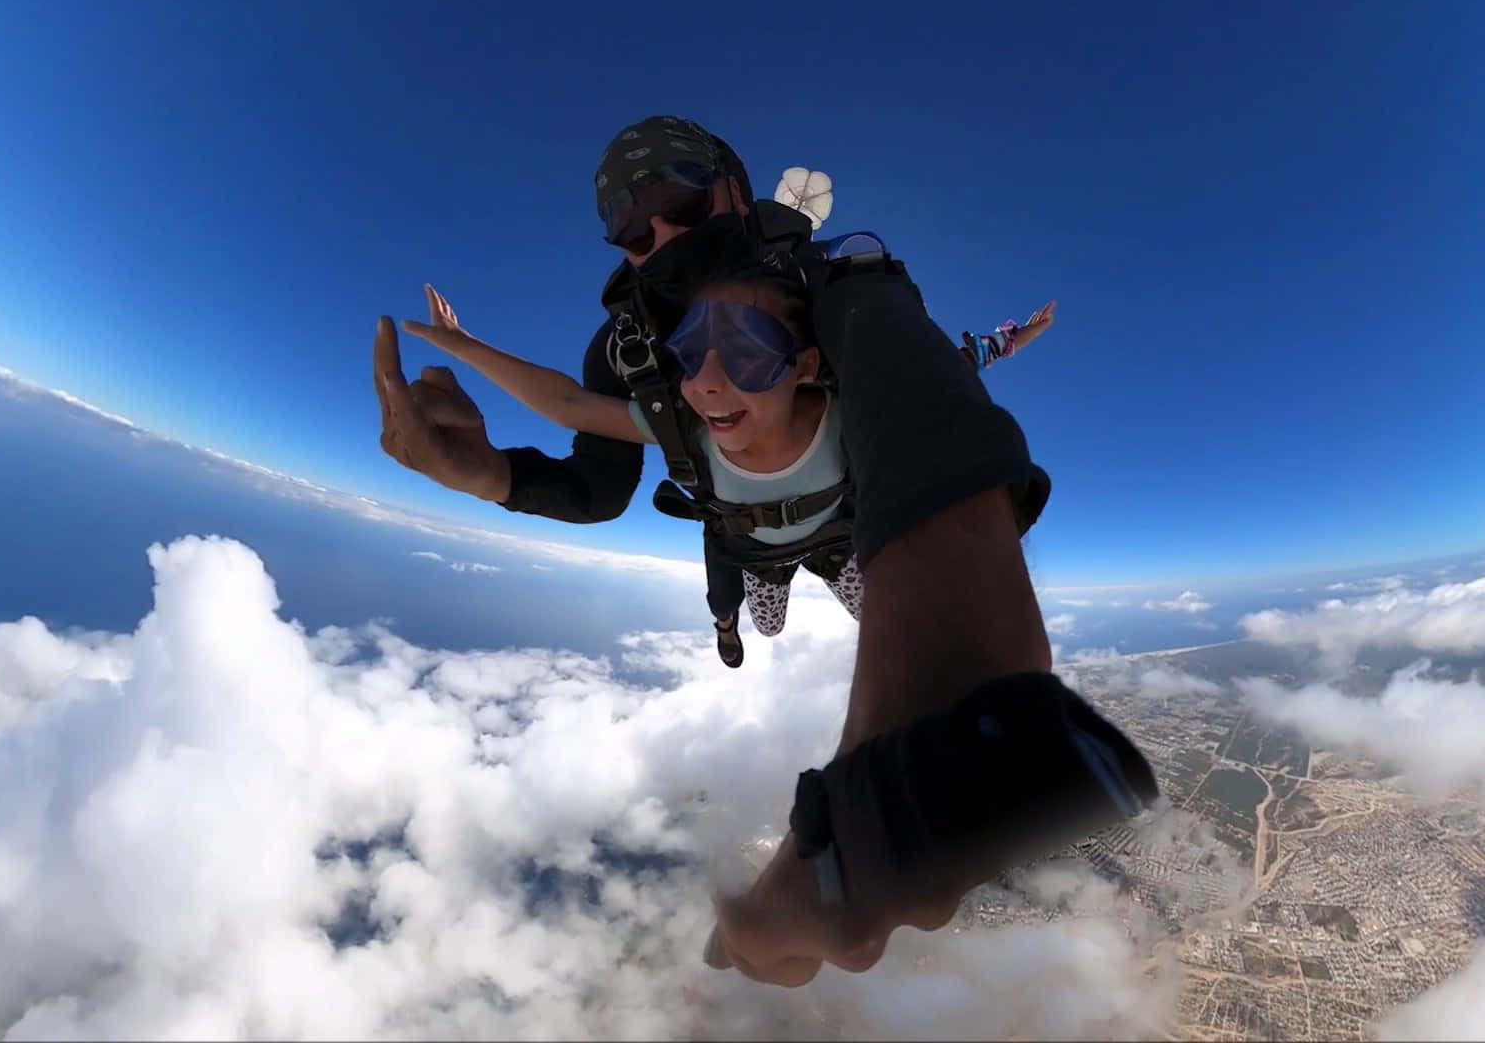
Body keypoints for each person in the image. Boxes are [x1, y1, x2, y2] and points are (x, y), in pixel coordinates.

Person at [374, 114, 1155, 988]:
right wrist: (487, 470)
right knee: (758, 608)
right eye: (632, 227)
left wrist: (864, 832)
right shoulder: (639, 354)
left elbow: (929, 389)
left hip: (842, 531)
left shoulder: (845, 297)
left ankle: (743, 612)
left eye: (677, 200)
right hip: (751, 541)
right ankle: (734, 623)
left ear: (737, 194)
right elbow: (590, 469)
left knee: (855, 596)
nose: (661, 235)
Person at [401, 280, 1059, 667]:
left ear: (804, 367)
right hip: (758, 554)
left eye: (748, 355)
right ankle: (726, 622)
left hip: (835, 546)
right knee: (762, 622)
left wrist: (1017, 336)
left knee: (897, 628)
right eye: (691, 356)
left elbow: (950, 362)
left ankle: (733, 616)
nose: (709, 384)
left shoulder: (848, 405)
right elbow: (571, 404)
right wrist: (464, 347)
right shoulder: (687, 423)